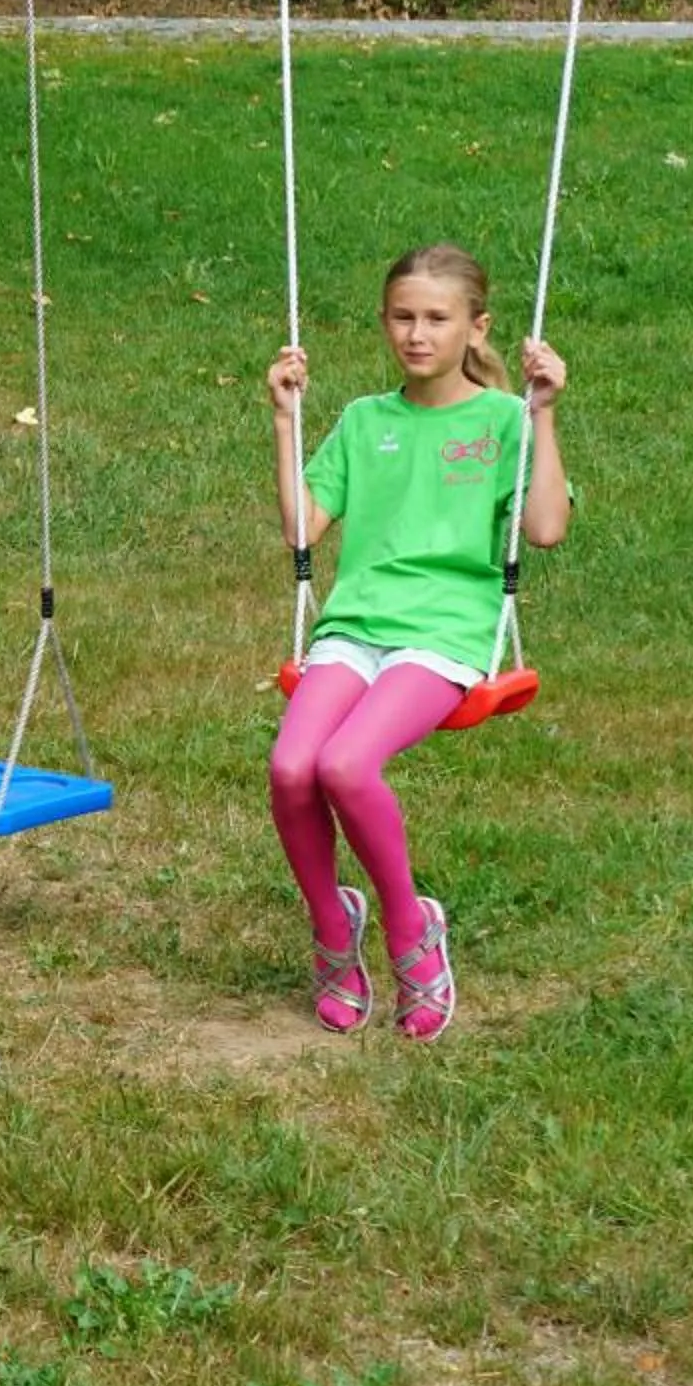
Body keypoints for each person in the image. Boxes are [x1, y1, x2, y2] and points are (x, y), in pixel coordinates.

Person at [266, 244, 568, 1040]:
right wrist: (284, 421)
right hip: (355, 625)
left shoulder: (504, 420)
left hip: (442, 634)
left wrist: (541, 412)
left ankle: (410, 929)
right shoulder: (367, 421)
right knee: (291, 767)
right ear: (384, 322)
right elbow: (303, 528)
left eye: (437, 318)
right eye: (403, 316)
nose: (418, 333)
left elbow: (544, 529)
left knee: (345, 763)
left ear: (477, 328)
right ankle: (335, 926)